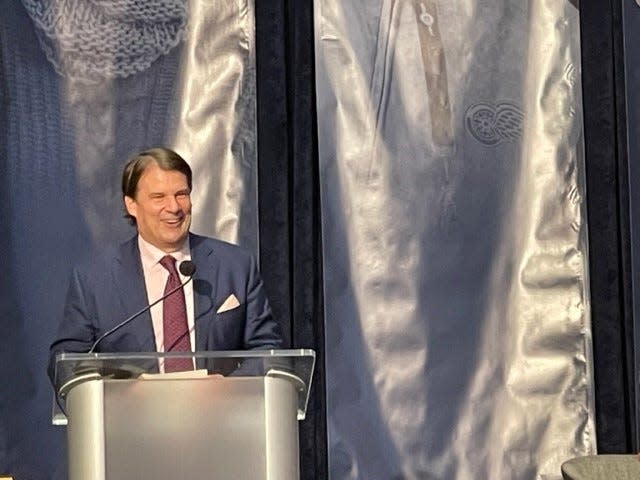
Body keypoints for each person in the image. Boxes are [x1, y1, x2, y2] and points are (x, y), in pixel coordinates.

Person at [48, 147, 283, 382]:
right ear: (131, 205)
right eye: (158, 197)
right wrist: (120, 393)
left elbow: (266, 351)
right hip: (132, 415)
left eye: (181, 194)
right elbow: (67, 363)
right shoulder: (95, 279)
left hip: (217, 413)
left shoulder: (235, 266)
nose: (174, 207)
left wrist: (225, 389)